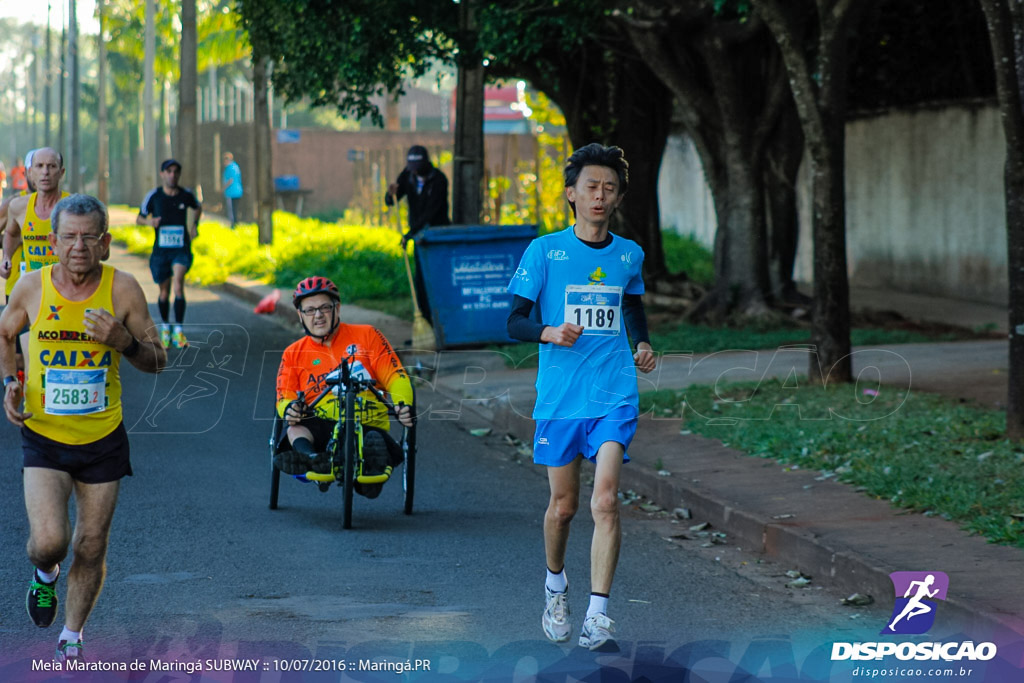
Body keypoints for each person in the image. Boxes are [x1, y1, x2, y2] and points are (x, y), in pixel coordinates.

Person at [0, 194, 167, 664]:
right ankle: (45, 574)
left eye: (88, 237)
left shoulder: (123, 290)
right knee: (49, 542)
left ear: (106, 243)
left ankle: (71, 638)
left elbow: (158, 361)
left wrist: (125, 342)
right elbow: (5, 332)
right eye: (69, 237)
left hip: (102, 440)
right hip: (44, 435)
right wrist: (11, 382)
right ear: (52, 241)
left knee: (90, 545)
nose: (78, 247)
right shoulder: (31, 287)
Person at [506, 143, 657, 651]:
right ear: (572, 194)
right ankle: (555, 586)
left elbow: (630, 304)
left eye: (609, 188)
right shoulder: (544, 252)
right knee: (564, 506)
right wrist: (548, 332)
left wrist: (641, 343)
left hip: (613, 391)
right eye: (591, 186)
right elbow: (514, 321)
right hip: (560, 399)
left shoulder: (628, 254)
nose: (600, 195)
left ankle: (598, 615)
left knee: (606, 500)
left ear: (617, 198)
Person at [275, 276, 414, 498]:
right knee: (294, 428)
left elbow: (396, 376)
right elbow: (285, 395)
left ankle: (370, 466)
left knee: (374, 442)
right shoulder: (293, 353)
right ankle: (312, 459)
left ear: (337, 309)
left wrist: (402, 404)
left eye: (324, 308)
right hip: (321, 425)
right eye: (309, 310)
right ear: (300, 316)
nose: (318, 315)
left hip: (367, 423)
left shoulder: (368, 335)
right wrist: (290, 408)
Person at [136, 159, 203, 349]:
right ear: (162, 174)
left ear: (178, 175)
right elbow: (139, 218)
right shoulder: (154, 196)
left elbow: (198, 207)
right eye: (169, 171)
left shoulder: (185, 195)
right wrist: (150, 223)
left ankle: (179, 332)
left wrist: (194, 226)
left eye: (176, 172)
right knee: (164, 292)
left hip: (181, 249)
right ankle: (165, 329)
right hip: (161, 252)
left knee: (178, 285)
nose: (172, 175)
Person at [384, 145, 450, 324]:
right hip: (418, 236)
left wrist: (409, 234)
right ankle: (426, 322)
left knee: (436, 278)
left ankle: (442, 321)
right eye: (411, 167)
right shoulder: (407, 175)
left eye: (417, 167)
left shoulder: (439, 180)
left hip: (437, 236)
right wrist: (390, 195)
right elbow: (392, 200)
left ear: (426, 163)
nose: (414, 171)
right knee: (420, 281)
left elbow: (432, 212)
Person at [221, 152, 243, 228]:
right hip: (238, 191)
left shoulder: (230, 168)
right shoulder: (236, 166)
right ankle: (236, 223)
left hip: (231, 192)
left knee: (232, 210)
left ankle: (233, 225)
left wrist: (223, 188)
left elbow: (230, 180)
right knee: (235, 209)